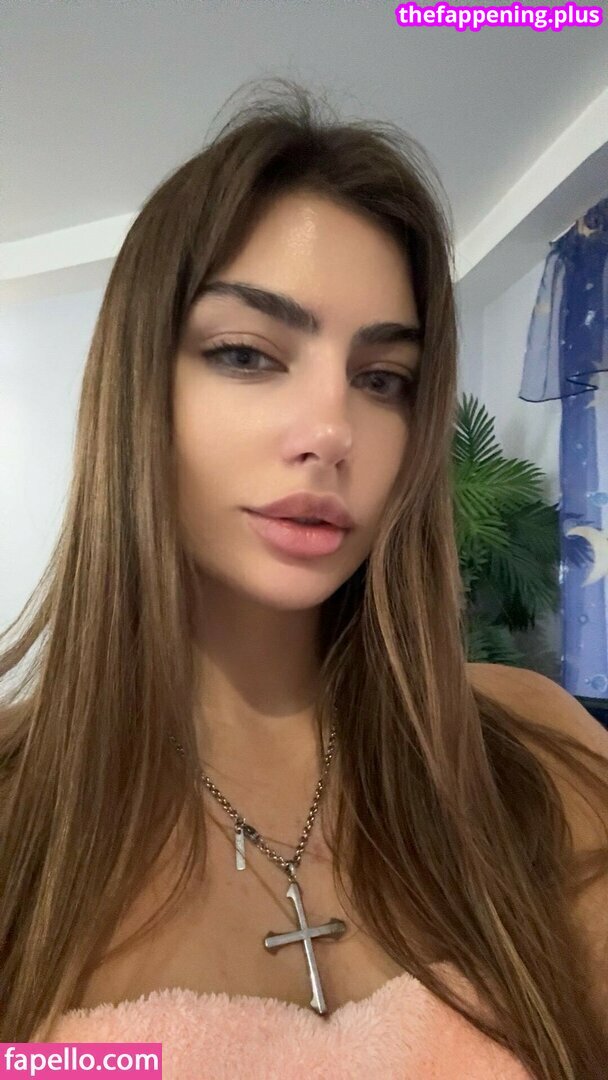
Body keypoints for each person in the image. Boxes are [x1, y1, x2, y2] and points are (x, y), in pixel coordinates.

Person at [1, 79, 607, 1077]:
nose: (331, 430)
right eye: (247, 354)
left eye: (382, 380)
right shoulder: (21, 809)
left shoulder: (534, 758)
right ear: (138, 391)